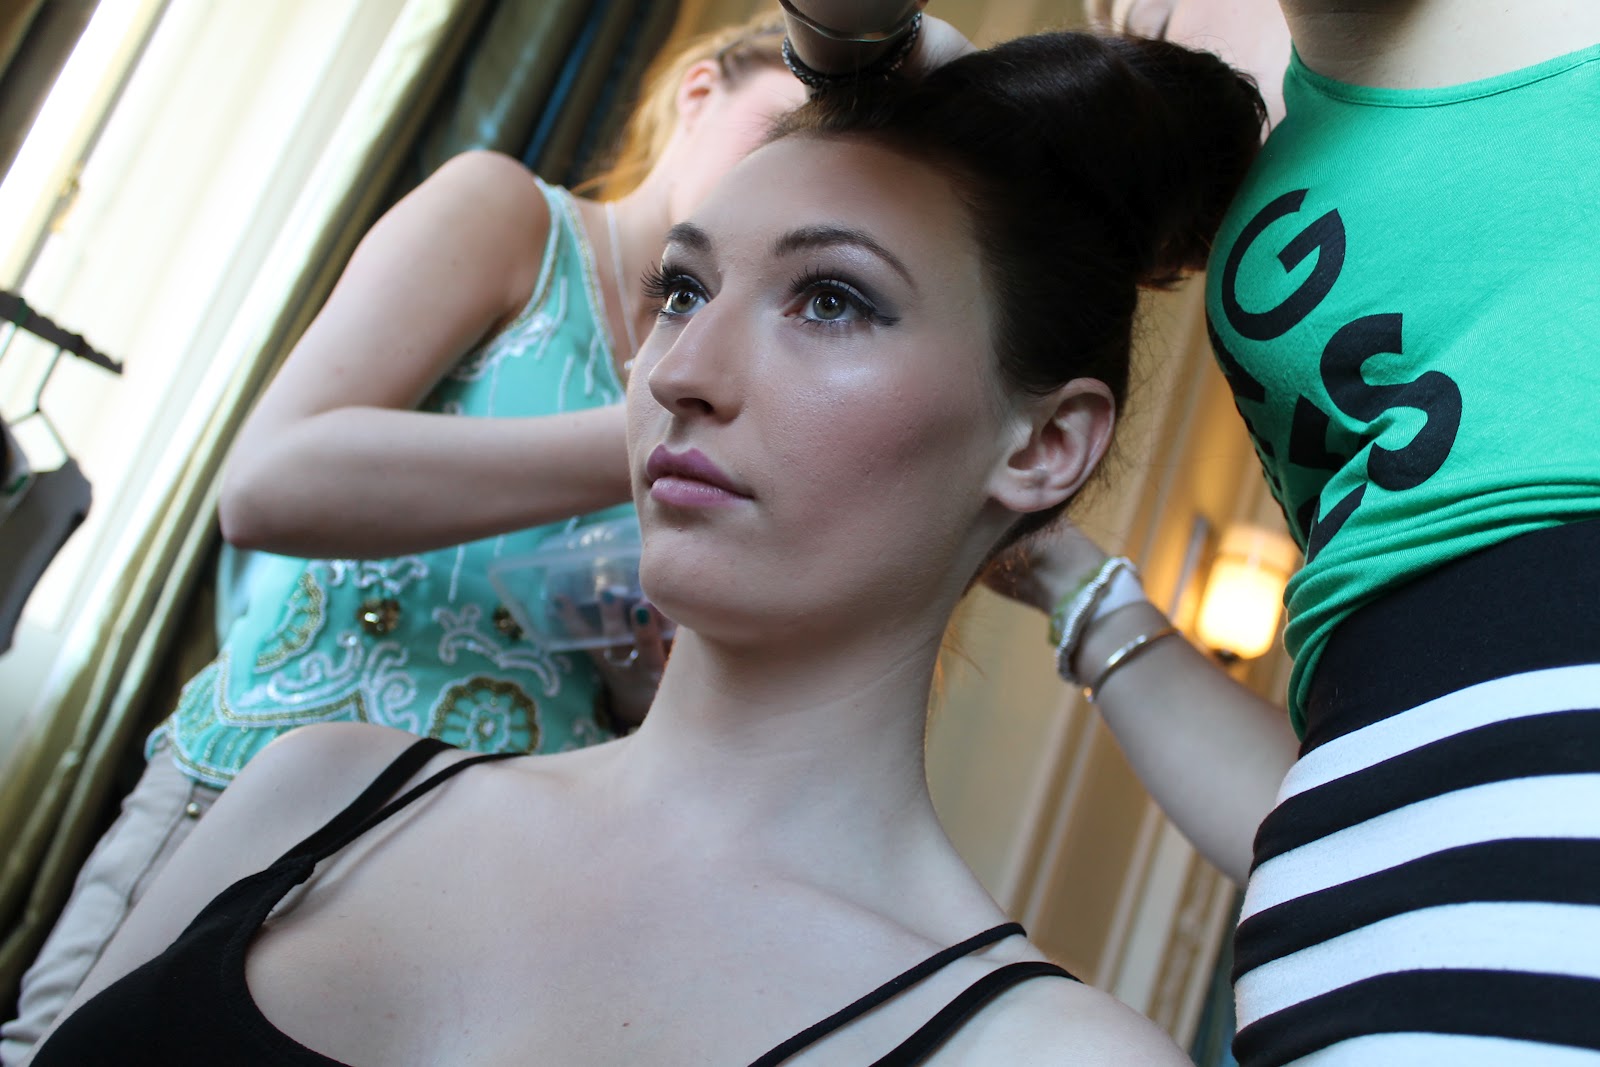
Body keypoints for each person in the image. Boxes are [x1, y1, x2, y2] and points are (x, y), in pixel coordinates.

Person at [21, 22, 1268, 1066]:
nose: (676, 372)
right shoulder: (316, 795)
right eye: (682, 289)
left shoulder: (1040, 1052)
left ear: (1043, 445)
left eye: (832, 298)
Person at [0, 15, 806, 1064]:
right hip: (263, 789)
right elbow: (269, 484)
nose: (782, 183)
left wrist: (634, 667)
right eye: (778, 130)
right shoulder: (513, 219)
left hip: (477, 884)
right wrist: (638, 436)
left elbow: (646, 706)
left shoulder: (730, 377)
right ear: (698, 92)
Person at [851, 1, 1600, 1063]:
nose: (1148, 21)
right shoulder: (1293, 153)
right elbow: (1357, 752)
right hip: (1345, 944)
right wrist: (1079, 591)